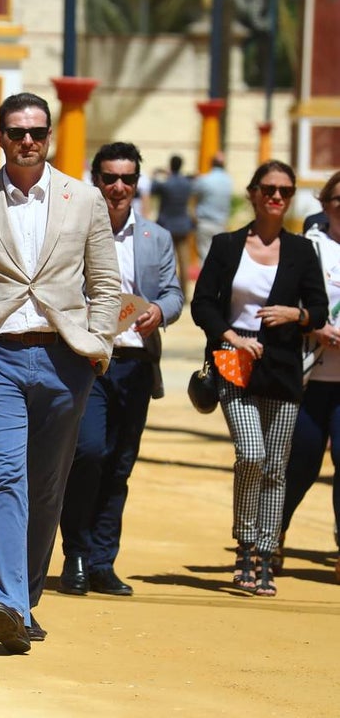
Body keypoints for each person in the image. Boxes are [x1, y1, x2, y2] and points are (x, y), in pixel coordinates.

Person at [0, 92, 121, 654]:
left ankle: (26, 599)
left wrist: (98, 345)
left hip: (65, 360)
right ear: (0, 137)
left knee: (46, 487)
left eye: (37, 131)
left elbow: (105, 283)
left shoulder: (83, 199)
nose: (28, 141)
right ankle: (6, 602)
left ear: (50, 135)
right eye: (17, 132)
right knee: (4, 479)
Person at [191, 160, 327, 598]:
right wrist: (229, 336)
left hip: (284, 366)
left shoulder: (303, 251)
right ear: (252, 193)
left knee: (275, 466)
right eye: (268, 188)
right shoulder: (228, 245)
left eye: (285, 191)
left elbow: (319, 312)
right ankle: (244, 542)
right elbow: (203, 304)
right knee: (251, 453)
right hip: (235, 361)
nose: (276, 197)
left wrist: (296, 314)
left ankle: (264, 555)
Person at [58, 142, 184, 597]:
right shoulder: (73, 232)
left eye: (127, 179)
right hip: (87, 362)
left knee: (119, 465)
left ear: (137, 184)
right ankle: (73, 553)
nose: (118, 187)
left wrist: (158, 310)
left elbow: (174, 293)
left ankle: (100, 562)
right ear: (96, 180)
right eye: (109, 178)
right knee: (88, 454)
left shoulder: (157, 238)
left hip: (135, 362)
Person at [281, 170, 340, 583]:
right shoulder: (309, 250)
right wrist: (314, 326)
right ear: (325, 204)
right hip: (311, 376)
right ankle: (274, 532)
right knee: (301, 465)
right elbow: (288, 301)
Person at [151, 155, 195, 295]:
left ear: (170, 165)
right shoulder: (187, 183)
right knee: (184, 261)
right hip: (182, 224)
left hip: (166, 225)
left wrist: (157, 174)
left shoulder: (166, 183)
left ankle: (164, 290)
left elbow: (152, 189)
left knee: (164, 261)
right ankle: (185, 293)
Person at [193, 152, 233, 263]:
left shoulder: (205, 179)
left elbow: (194, 193)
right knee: (219, 256)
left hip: (205, 222)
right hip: (221, 223)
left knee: (204, 256)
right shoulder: (228, 181)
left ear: (211, 164)